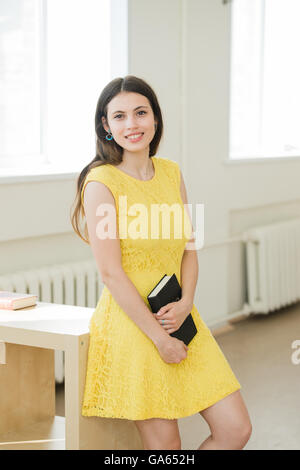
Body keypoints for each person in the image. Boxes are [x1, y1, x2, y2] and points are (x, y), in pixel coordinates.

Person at [70, 75, 252, 450]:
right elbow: (111, 273)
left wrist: (186, 304)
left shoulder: (171, 172)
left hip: (180, 317)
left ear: (155, 119)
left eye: (140, 112)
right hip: (134, 329)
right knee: (166, 449)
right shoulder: (101, 182)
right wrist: (158, 338)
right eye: (119, 117)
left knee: (235, 429)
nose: (132, 124)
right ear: (106, 126)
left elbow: (190, 249)